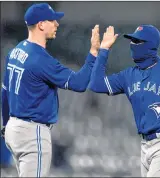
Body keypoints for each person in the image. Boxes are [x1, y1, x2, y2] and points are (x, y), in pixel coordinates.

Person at [1, 3, 100, 177]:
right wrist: (93, 52)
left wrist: (6, 124)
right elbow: (79, 83)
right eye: (52, 20)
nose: (57, 24)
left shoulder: (15, 51)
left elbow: (4, 93)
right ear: (40, 25)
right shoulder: (40, 59)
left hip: (14, 129)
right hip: (32, 133)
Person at [89, 25, 160, 177]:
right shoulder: (128, 76)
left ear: (150, 45)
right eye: (132, 40)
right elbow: (96, 84)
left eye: (137, 41)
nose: (132, 44)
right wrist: (103, 50)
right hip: (145, 145)